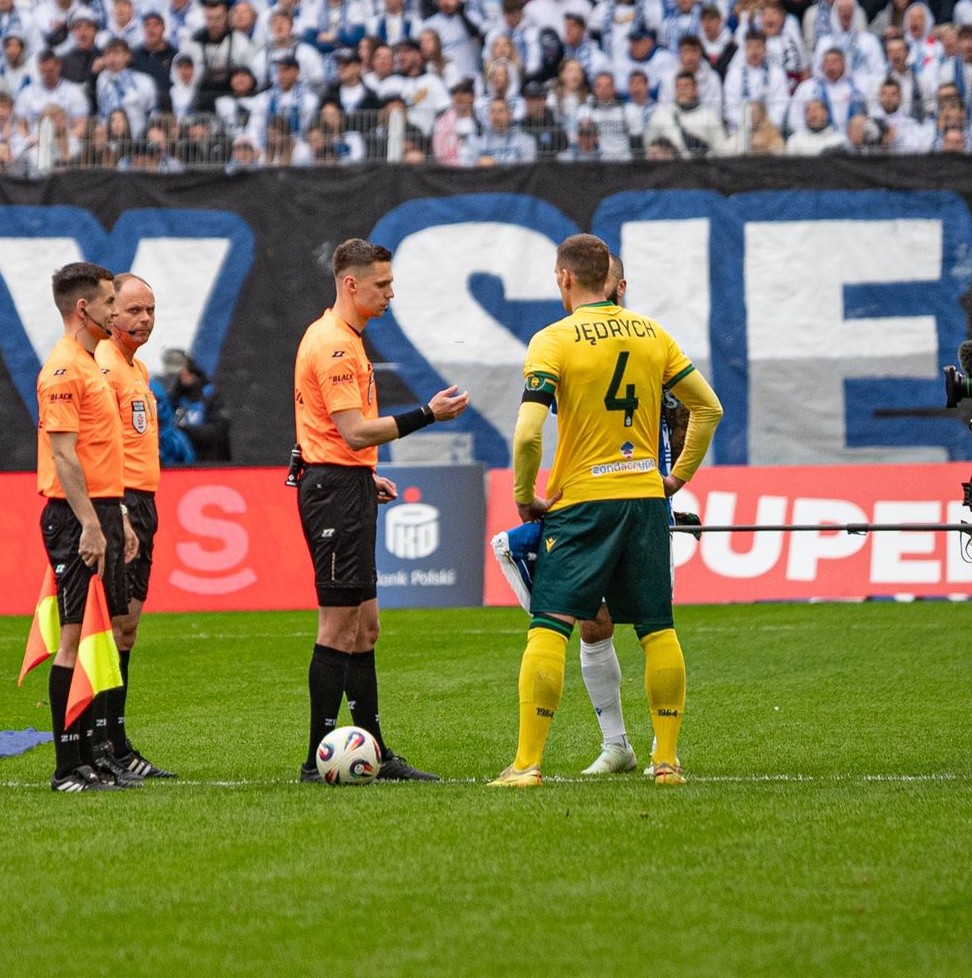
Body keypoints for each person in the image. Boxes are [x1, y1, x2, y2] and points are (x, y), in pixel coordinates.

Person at [491, 234, 722, 788]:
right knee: (657, 629)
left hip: (582, 504)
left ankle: (527, 765)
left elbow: (527, 433)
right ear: (612, 280)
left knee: (548, 627)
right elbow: (707, 408)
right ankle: (665, 761)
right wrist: (675, 477)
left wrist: (525, 493)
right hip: (643, 498)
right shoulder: (652, 334)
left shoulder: (552, 339)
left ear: (565, 278)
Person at [292, 238, 470, 783]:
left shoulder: (342, 338)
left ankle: (374, 750)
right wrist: (427, 414)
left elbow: (340, 437)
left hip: (346, 484)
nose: (391, 294)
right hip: (332, 493)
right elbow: (352, 430)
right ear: (352, 284)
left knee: (365, 628)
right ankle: (318, 755)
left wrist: (365, 474)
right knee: (338, 626)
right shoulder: (336, 346)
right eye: (382, 285)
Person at [36, 262, 138, 793]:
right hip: (75, 516)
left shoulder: (87, 362)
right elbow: (63, 456)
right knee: (74, 639)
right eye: (108, 302)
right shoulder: (62, 369)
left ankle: (91, 758)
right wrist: (89, 526)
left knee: (97, 635)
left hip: (101, 510)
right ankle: (65, 767)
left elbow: (97, 452)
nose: (116, 311)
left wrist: (116, 514)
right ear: (84, 308)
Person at [93, 274, 176, 780]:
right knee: (106, 627)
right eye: (133, 311)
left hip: (143, 502)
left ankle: (117, 743)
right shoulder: (105, 365)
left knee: (126, 629)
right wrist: (118, 509)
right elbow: (99, 443)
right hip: (119, 504)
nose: (144, 319)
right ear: (110, 313)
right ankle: (100, 745)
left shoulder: (137, 367)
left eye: (150, 309)